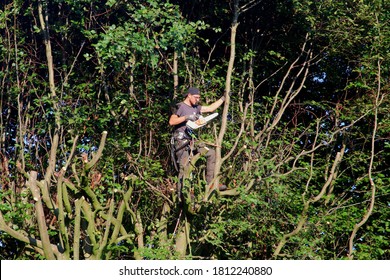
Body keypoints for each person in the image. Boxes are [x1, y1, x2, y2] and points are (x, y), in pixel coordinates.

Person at [169, 87, 227, 195]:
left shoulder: (196, 107)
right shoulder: (180, 106)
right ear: (189, 95)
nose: (197, 100)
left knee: (211, 153)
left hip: (192, 141)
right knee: (185, 166)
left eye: (199, 98)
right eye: (196, 97)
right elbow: (172, 121)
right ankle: (182, 194)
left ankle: (211, 184)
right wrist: (186, 117)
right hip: (181, 141)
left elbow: (210, 108)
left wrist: (223, 98)